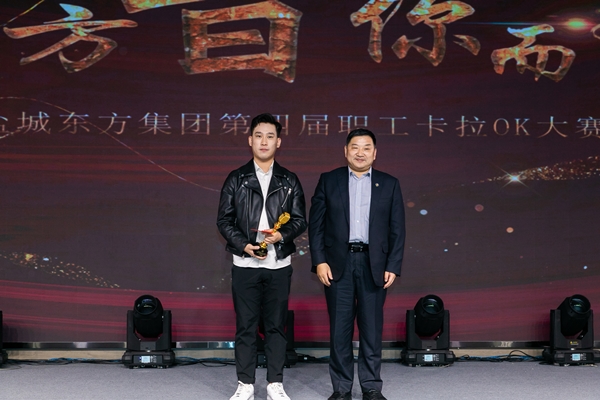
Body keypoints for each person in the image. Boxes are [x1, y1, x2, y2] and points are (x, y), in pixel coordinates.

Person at [309, 128, 405, 400]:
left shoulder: (389, 183)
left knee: (371, 329)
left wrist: (393, 264)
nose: (360, 153)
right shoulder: (329, 180)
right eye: (355, 147)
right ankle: (341, 389)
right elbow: (316, 226)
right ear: (345, 151)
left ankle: (371, 387)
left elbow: (398, 229)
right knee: (340, 330)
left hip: (374, 264)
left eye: (366, 148)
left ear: (375, 153)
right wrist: (319, 261)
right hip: (337, 264)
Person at [217, 113, 307, 400]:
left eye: (270, 136)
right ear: (250, 140)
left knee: (276, 326)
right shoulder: (236, 178)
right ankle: (245, 384)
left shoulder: (289, 179)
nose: (264, 141)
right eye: (259, 136)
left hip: (278, 263)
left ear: (278, 142)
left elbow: (300, 220)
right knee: (245, 325)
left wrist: (281, 236)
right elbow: (224, 221)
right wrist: (244, 245)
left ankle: (274, 384)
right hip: (245, 263)